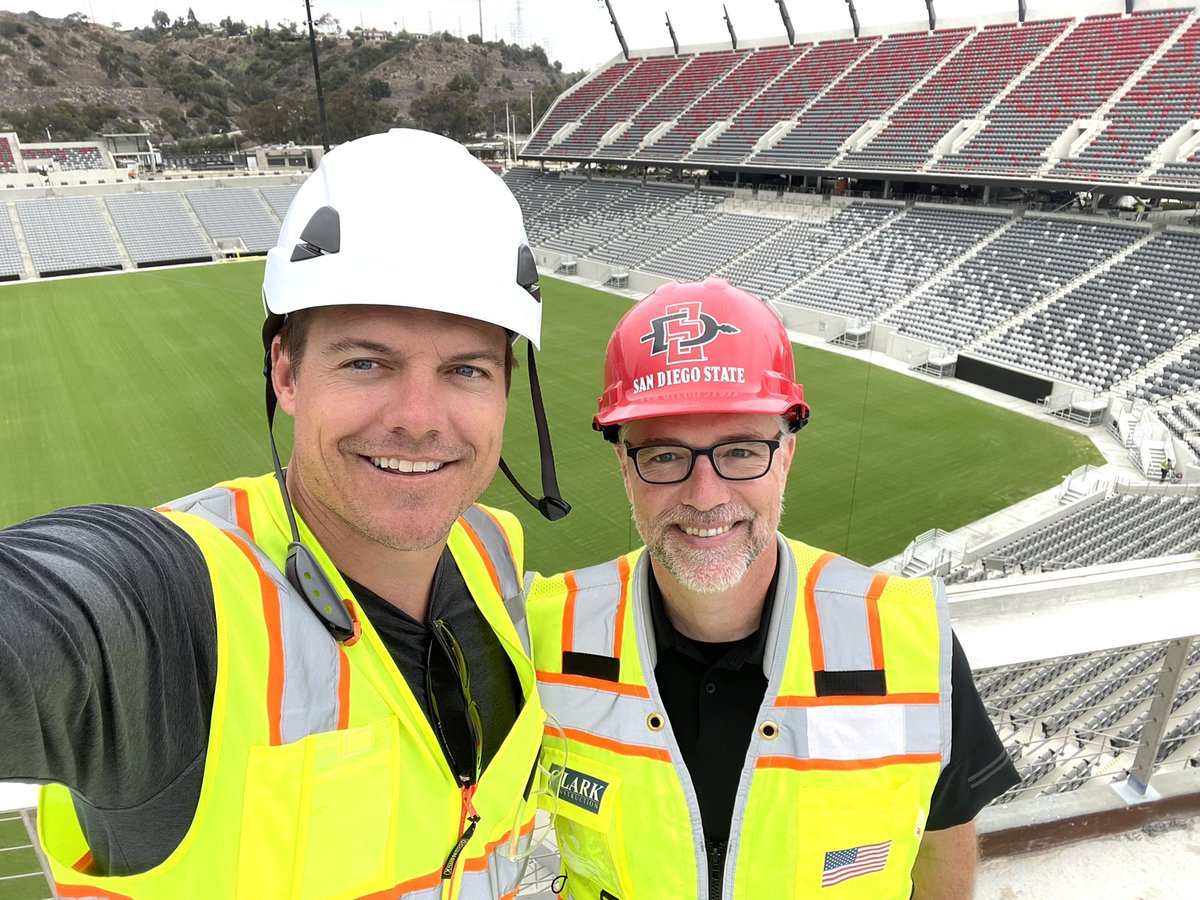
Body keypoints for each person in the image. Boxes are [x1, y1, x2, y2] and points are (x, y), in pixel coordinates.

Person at [0, 129, 568, 898]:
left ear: (507, 390)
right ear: (287, 373)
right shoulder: (165, 605)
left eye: (465, 370)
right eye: (367, 362)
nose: (419, 417)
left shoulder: (494, 548)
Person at [527, 278, 1018, 900]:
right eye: (665, 456)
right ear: (626, 468)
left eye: (740, 451)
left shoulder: (908, 640)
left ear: (785, 455)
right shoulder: (546, 634)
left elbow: (945, 845)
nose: (705, 496)